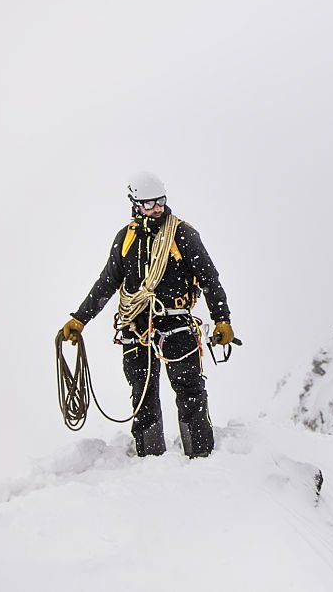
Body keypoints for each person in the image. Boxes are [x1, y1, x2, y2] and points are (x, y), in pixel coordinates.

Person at [60, 172, 235, 458]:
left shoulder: (182, 234)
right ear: (134, 203)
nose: (156, 208)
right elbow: (107, 282)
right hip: (136, 326)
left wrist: (222, 319)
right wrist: (80, 318)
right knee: (142, 395)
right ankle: (150, 460)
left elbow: (209, 278)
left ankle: (201, 457)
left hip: (176, 324)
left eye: (161, 202)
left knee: (190, 391)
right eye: (148, 203)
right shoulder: (126, 238)